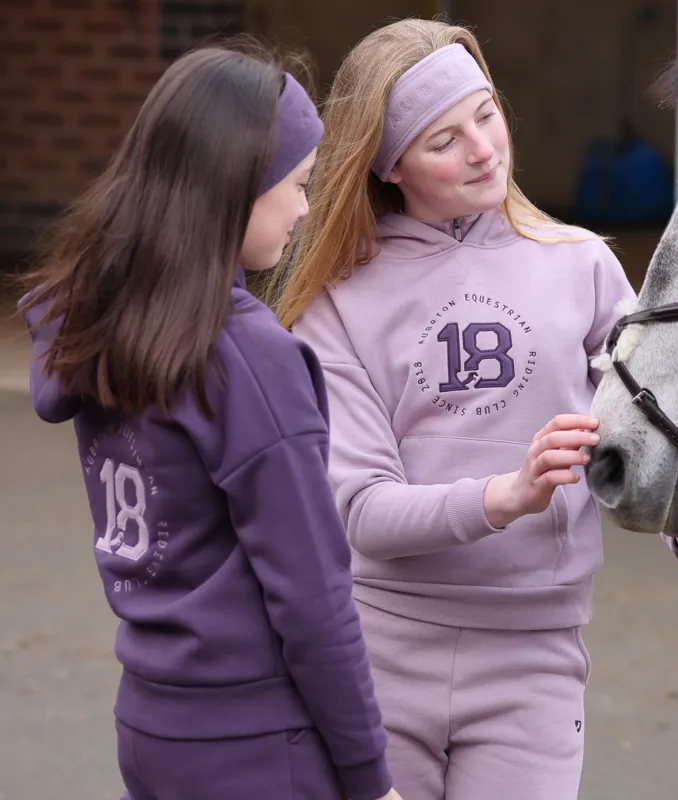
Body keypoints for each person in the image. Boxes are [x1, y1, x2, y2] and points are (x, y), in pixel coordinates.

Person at [271, 18, 678, 800]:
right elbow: (360, 512)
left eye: (487, 114)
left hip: (536, 663)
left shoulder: (584, 266)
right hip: (377, 660)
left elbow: (654, 438)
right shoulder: (336, 305)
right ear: (389, 164)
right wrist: (510, 494)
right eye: (443, 140)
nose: (482, 149)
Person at [18, 43, 401, 800]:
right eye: (296, 185)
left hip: (151, 728)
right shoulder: (249, 358)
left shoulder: (103, 321)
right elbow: (313, 599)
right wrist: (370, 779)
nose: (304, 207)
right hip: (257, 746)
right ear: (235, 188)